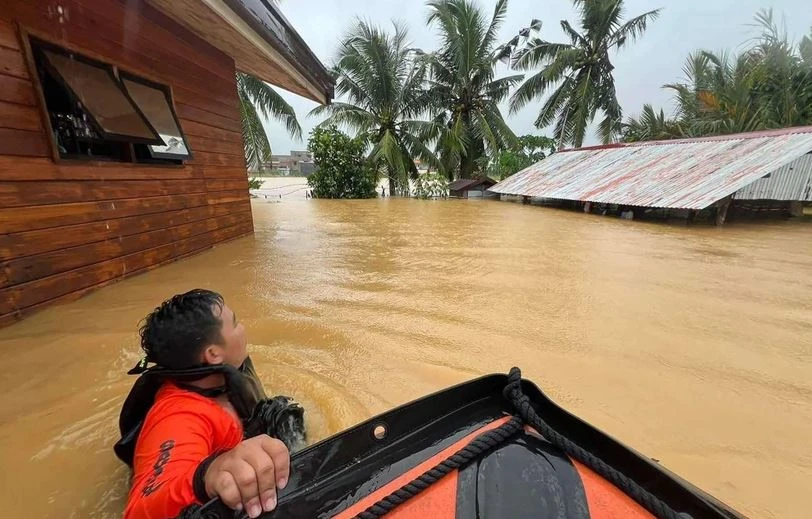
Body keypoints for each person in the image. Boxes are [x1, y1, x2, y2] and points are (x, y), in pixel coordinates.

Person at [118, 290, 299, 519]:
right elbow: (138, 512)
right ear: (213, 354)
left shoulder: (222, 379)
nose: (242, 328)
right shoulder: (177, 416)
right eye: (235, 323)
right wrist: (206, 476)